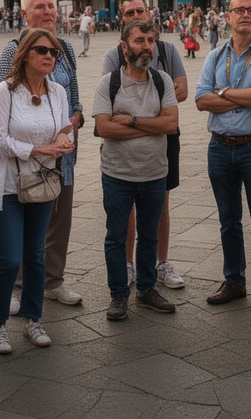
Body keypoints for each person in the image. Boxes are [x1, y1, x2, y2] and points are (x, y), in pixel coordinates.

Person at [0, 27, 74, 352]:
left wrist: (64, 140)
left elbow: (65, 129)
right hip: (7, 183)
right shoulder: (5, 91)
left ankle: (34, 320)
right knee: (9, 257)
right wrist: (37, 150)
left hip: (42, 183)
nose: (49, 56)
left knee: (36, 256)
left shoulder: (58, 91)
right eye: (42, 50)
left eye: (54, 52)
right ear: (25, 55)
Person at [0, 0, 85, 308]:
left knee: (59, 219)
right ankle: (18, 287)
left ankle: (54, 281)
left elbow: (75, 101)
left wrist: (69, 127)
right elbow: (2, 101)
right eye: (39, 7)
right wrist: (39, 143)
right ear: (24, 14)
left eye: (51, 6)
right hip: (27, 158)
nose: (48, 12)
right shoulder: (13, 49)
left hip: (62, 153)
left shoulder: (67, 49)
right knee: (25, 221)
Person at [195, 0, 251, 315]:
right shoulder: (215, 56)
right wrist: (243, 93)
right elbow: (201, 100)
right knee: (228, 221)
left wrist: (223, 93)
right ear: (227, 17)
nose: (245, 14)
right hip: (219, 147)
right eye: (239, 10)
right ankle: (234, 280)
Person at [102, 0, 189, 290]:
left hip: (163, 141)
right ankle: (127, 265)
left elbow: (181, 91)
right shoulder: (113, 57)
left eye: (140, 12)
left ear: (149, 13)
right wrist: (157, 114)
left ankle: (159, 263)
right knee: (124, 210)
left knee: (161, 204)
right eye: (130, 13)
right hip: (127, 147)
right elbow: (108, 110)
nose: (137, 17)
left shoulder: (165, 50)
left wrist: (139, 113)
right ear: (121, 19)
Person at [94, 20, 181, 320]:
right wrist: (150, 126)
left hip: (155, 173)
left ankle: (145, 289)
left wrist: (129, 120)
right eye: (139, 40)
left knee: (149, 235)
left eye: (150, 40)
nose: (146, 47)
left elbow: (171, 124)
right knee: (116, 236)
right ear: (124, 46)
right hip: (117, 174)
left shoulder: (162, 81)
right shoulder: (109, 83)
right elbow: (103, 127)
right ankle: (118, 293)